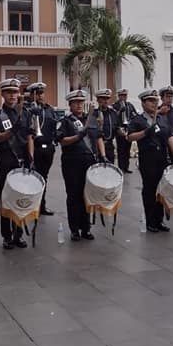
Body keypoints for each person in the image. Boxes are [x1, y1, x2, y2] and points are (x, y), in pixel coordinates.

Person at [127, 89, 173, 233]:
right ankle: (151, 221)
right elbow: (130, 136)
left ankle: (159, 220)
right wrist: (145, 132)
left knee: (161, 190)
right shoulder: (138, 119)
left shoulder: (161, 118)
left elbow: (170, 136)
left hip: (162, 158)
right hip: (148, 159)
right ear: (143, 103)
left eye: (155, 101)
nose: (153, 103)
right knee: (150, 190)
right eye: (150, 101)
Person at [0, 78, 35, 250]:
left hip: (22, 159)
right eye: (8, 92)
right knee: (6, 197)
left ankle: (19, 233)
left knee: (21, 197)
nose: (12, 95)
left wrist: (31, 158)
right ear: (2, 94)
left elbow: (30, 136)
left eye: (15, 92)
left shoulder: (26, 113)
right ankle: (7, 235)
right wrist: (12, 131)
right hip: (5, 159)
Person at [56, 90, 96, 241]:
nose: (79, 105)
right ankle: (74, 229)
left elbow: (95, 138)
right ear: (70, 105)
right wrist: (78, 136)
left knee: (87, 195)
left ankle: (86, 227)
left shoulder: (89, 119)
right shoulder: (65, 121)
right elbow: (62, 140)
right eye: (76, 103)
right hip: (72, 161)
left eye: (81, 102)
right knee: (74, 196)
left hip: (88, 160)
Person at [27, 82, 56, 216]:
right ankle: (32, 206)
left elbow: (54, 126)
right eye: (37, 93)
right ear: (32, 95)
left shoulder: (49, 109)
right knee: (33, 178)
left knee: (44, 177)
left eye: (41, 93)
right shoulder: (28, 110)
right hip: (35, 147)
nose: (40, 96)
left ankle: (42, 205)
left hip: (48, 148)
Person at [112, 89, 136, 173]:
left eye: (125, 95)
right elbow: (113, 117)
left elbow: (134, 116)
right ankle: (121, 167)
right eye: (122, 95)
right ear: (119, 96)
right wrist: (119, 111)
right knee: (121, 149)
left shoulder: (130, 105)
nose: (123, 97)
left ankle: (126, 167)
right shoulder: (115, 105)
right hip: (119, 129)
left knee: (127, 149)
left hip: (128, 129)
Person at [93, 89, 118, 163]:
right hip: (97, 147)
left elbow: (116, 127)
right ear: (98, 100)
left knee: (110, 170)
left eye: (107, 98)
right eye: (103, 98)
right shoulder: (93, 114)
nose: (106, 101)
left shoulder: (113, 113)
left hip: (109, 146)